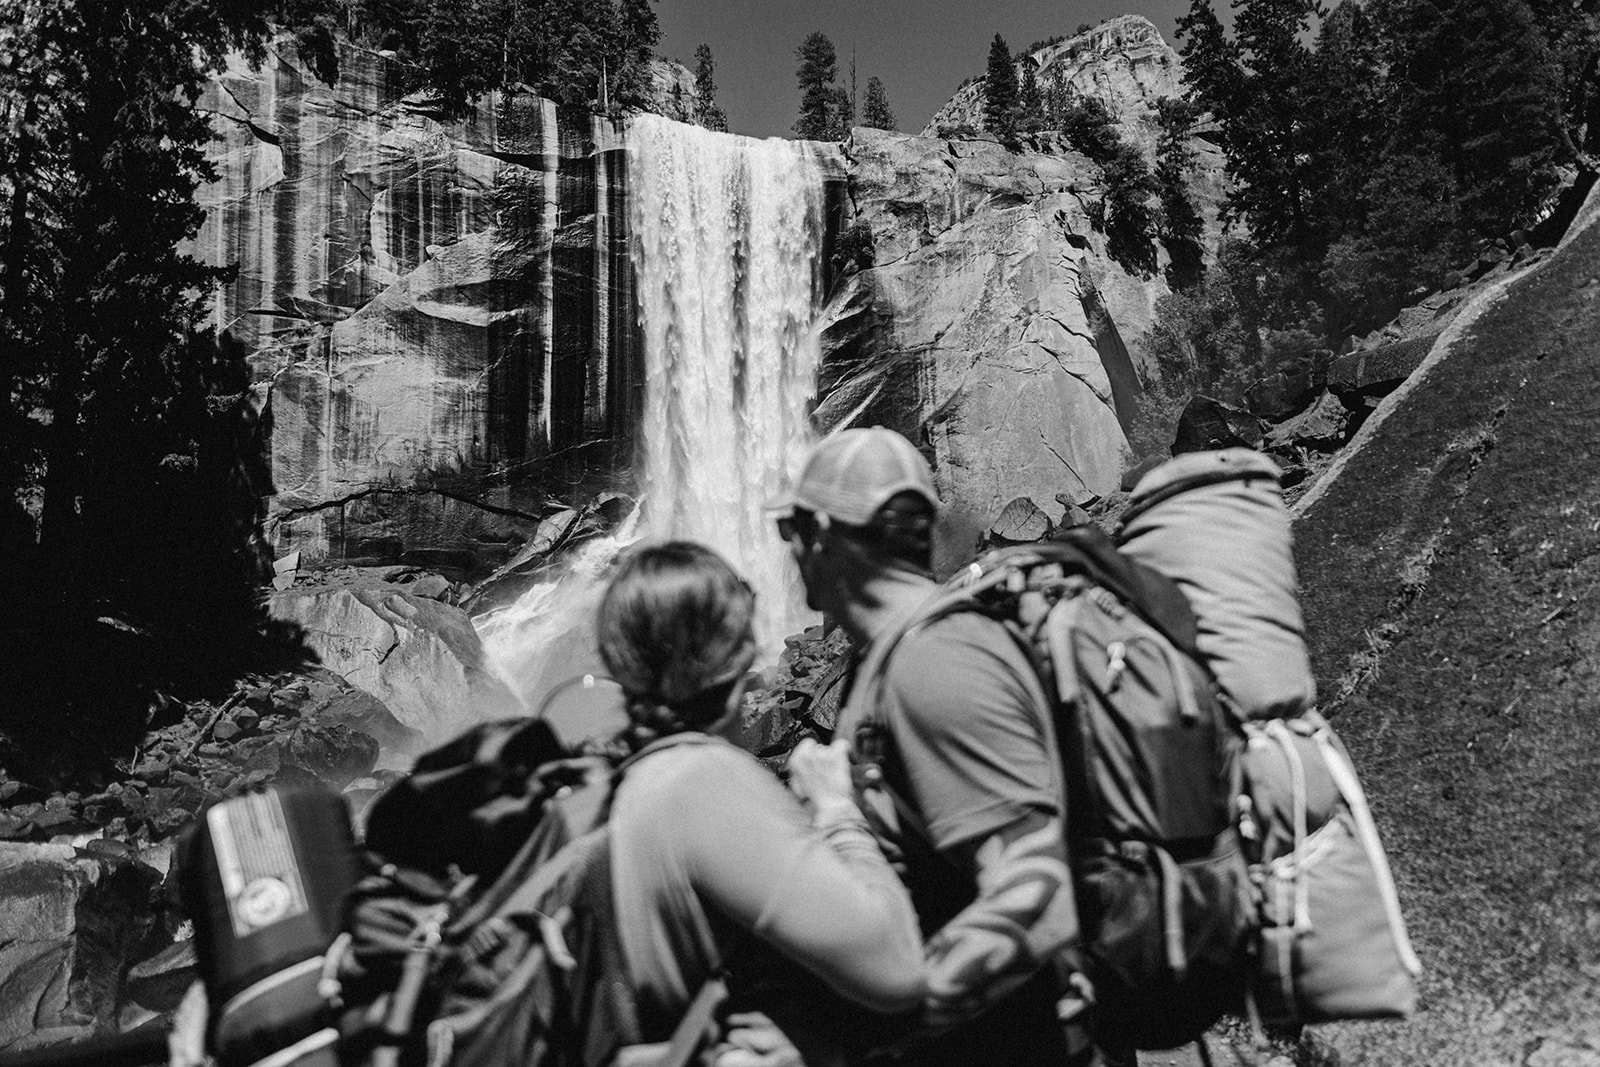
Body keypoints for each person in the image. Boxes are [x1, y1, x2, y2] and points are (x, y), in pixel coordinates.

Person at [773, 428, 1104, 1067]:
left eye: (791, 528)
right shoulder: (894, 651)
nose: (786, 549)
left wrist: (867, 1037)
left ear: (820, 534)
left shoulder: (938, 664)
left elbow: (1039, 905)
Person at [598, 540, 926, 1066]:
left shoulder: (626, 776)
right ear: (740, 653)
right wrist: (838, 809)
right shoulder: (702, 782)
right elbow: (898, 970)